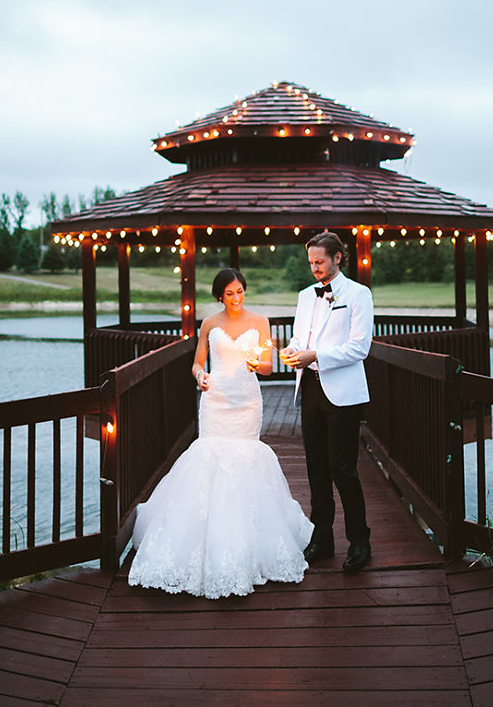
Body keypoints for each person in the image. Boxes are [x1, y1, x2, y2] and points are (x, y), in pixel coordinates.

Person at [128, 268, 312, 599]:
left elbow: (269, 366)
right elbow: (197, 363)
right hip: (215, 400)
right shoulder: (209, 324)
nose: (237, 298)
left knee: (245, 460)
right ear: (219, 296)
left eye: (240, 291)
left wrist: (258, 364)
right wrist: (200, 376)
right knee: (209, 458)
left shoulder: (260, 322)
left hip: (246, 401)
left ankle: (248, 544)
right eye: (230, 293)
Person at [280, 232, 373, 573]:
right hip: (311, 389)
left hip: (343, 395)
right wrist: (293, 350)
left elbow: (360, 347)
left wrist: (316, 355)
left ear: (338, 257)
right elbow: (298, 335)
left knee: (343, 470)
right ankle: (322, 540)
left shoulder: (359, 294)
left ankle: (360, 542)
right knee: (316, 469)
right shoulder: (306, 296)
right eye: (311, 263)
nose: (315, 268)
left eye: (320, 261)